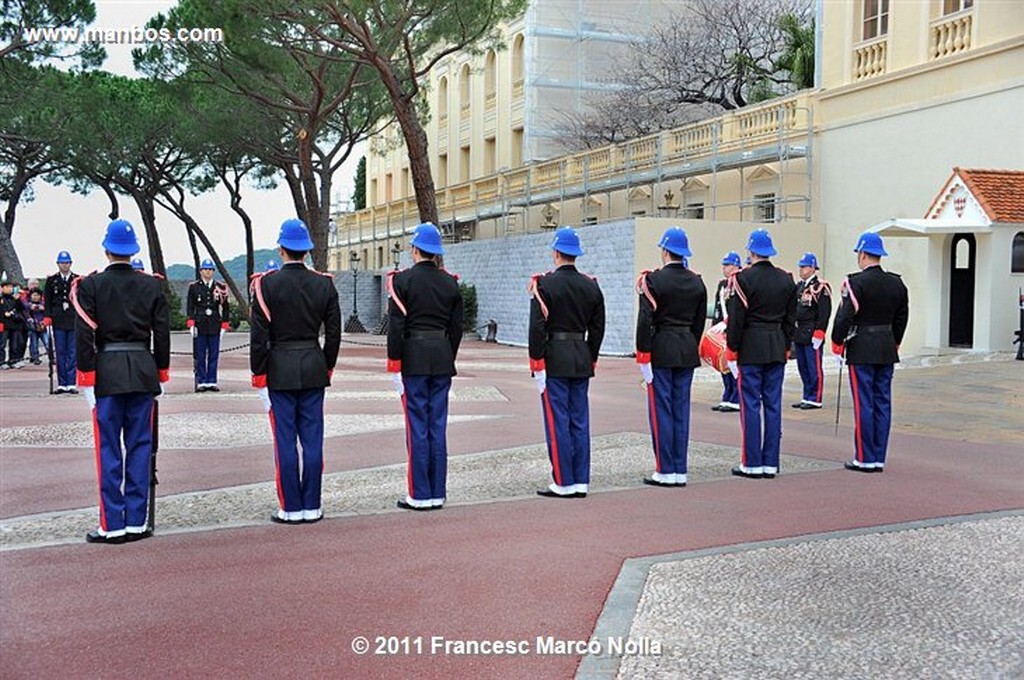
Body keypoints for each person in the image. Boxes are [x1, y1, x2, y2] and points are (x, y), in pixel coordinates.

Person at [73, 219, 170, 544]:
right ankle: (137, 521)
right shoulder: (151, 285)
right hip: (143, 369)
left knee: (109, 448)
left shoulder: (90, 286)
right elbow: (162, 334)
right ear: (134, 251)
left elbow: (84, 334)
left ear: (106, 249)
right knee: (141, 446)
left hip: (108, 371)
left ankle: (112, 523)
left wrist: (86, 377)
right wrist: (162, 372)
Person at [250, 219, 341, 524]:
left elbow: (259, 337)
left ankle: (290, 507)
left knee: (285, 439)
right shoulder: (324, 283)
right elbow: (335, 333)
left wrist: (259, 375)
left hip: (279, 369)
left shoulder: (266, 284)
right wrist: (326, 365)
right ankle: (312, 505)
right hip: (313, 366)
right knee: (313, 439)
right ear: (307, 251)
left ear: (281, 248)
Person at [386, 223, 464, 511]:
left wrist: (395, 364)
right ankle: (437, 492)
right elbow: (456, 329)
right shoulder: (450, 283)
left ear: (415, 249)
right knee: (437, 425)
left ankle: (420, 494)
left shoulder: (401, 282)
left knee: (417, 426)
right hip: (442, 357)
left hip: (414, 358)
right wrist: (447, 355)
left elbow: (396, 328)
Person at [528, 226, 606, 498]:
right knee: (580, 420)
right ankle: (581, 480)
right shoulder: (591, 285)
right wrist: (591, 356)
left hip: (554, 358)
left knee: (558, 420)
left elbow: (537, 328)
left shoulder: (544, 284)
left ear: (556, 252)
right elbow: (598, 328)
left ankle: (563, 481)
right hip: (581, 355)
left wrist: (536, 362)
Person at [831, 232, 909, 473]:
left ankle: (864, 457)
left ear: (863, 254)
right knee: (883, 402)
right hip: (886, 346)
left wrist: (837, 342)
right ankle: (878, 456)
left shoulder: (855, 283)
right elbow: (902, 317)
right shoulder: (897, 283)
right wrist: (895, 342)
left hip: (862, 347)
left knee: (864, 402)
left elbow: (845, 316)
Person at [635, 227, 707, 487]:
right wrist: (690, 343)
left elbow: (645, 321)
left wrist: (643, 355)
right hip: (686, 347)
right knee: (681, 409)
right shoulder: (697, 281)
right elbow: (699, 322)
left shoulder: (653, 281)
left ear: (665, 251)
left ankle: (665, 469)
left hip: (661, 348)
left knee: (661, 410)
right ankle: (680, 468)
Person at [725, 228, 797, 479]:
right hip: (777, 344)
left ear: (751, 251)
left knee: (750, 405)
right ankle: (771, 462)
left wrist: (732, 350)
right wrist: (786, 345)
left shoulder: (742, 279)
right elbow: (791, 320)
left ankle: (752, 462)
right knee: (773, 405)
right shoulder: (786, 279)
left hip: (751, 346)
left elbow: (736, 320)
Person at [792, 253, 832, 410]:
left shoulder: (820, 287)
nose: (801, 270)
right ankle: (806, 395)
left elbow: (824, 312)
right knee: (803, 366)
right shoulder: (800, 286)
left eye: (804, 267)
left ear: (813, 268)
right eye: (800, 267)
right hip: (799, 331)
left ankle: (815, 397)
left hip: (812, 331)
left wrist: (820, 331)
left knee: (813, 366)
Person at [186, 259, 231, 392]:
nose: (208, 272)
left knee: (213, 354)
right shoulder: (194, 287)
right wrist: (191, 323)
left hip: (214, 324)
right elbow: (190, 306)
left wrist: (224, 325)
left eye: (210, 269)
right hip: (200, 324)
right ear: (201, 271)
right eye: (205, 269)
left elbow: (226, 307)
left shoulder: (220, 287)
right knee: (200, 354)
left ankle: (211, 381)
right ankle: (201, 381)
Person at [710, 251, 742, 412]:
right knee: (723, 364)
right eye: (723, 265)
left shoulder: (740, 283)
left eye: (728, 265)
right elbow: (718, 307)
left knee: (735, 365)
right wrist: (714, 327)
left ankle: (736, 396)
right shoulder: (722, 285)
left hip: (734, 329)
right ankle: (728, 392)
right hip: (722, 329)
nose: (724, 268)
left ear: (736, 266)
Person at [44, 251, 80, 393]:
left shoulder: (77, 279)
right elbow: (47, 300)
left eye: (66, 262)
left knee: (72, 352)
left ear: (70, 264)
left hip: (72, 319)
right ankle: (62, 383)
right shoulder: (52, 280)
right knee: (60, 352)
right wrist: (47, 316)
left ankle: (71, 382)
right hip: (58, 319)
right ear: (57, 264)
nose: (64, 265)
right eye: (61, 263)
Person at [0, 278, 27, 369]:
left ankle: (13, 360)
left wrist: (18, 300)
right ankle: (1, 361)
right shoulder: (1, 299)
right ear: (2, 288)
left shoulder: (14, 298)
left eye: (11, 287)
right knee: (2, 344)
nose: (9, 288)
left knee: (14, 344)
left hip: (15, 324)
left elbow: (22, 309)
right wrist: (4, 314)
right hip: (4, 324)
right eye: (7, 287)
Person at [25, 287, 47, 365]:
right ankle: (35, 357)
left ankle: (51, 356)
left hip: (42, 325)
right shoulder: (27, 304)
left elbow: (47, 313)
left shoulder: (43, 304)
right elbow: (25, 310)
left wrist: (43, 309)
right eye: (34, 295)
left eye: (37, 295)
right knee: (34, 343)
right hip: (32, 326)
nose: (35, 297)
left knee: (47, 342)